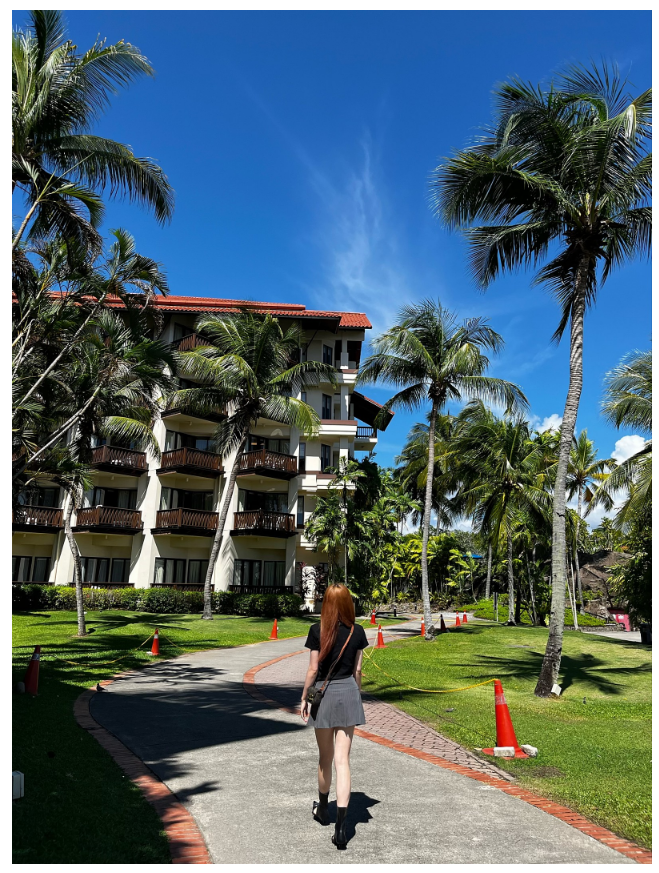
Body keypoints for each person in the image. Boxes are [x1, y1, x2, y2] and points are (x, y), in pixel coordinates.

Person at [300, 583, 369, 850]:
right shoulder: (357, 631)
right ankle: (342, 828)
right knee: (343, 761)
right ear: (348, 603)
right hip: (348, 692)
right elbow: (357, 671)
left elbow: (312, 669)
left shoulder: (317, 630)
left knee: (325, 758)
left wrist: (304, 698)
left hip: (324, 695)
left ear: (326, 603)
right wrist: (356, 695)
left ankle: (323, 809)